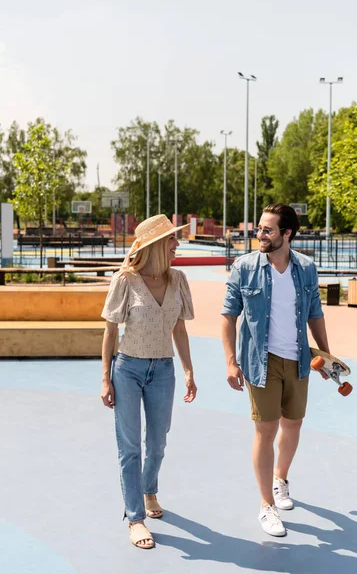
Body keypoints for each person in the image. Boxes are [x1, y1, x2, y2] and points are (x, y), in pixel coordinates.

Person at [221, 203, 330, 537]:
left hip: (298, 360)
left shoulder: (306, 268)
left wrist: (326, 355)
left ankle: (281, 480)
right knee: (266, 430)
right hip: (259, 361)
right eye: (259, 229)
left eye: (267, 230)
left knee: (293, 423)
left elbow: (314, 313)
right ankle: (266, 505)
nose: (260, 235)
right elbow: (229, 315)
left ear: (287, 233)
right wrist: (230, 360)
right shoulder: (244, 267)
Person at [101, 214, 197, 549]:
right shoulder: (125, 280)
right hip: (127, 370)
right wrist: (105, 379)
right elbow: (110, 331)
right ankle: (135, 517)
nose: (177, 245)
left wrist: (188, 371)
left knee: (157, 442)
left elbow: (180, 329)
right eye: (172, 240)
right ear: (156, 245)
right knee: (130, 447)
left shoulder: (179, 279)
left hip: (164, 370)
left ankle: (149, 489)